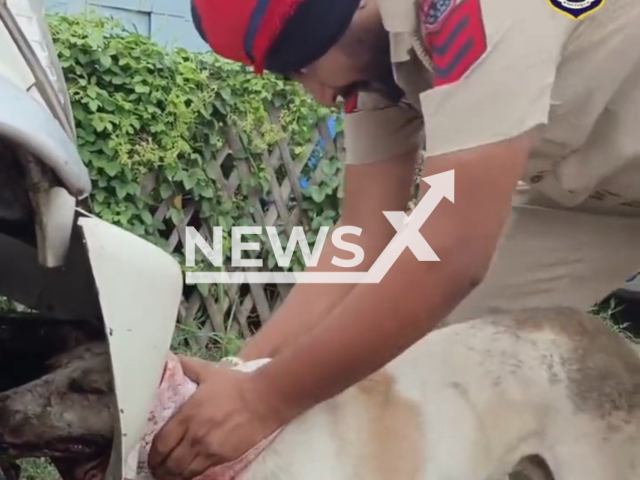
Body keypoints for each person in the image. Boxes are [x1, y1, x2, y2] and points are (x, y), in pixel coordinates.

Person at [148, 0, 640, 478]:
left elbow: (449, 252)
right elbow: (365, 234)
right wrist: (246, 371)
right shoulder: (376, 58)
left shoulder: (471, 9)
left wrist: (265, 401)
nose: (319, 95)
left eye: (303, 65)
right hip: (593, 194)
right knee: (435, 351)